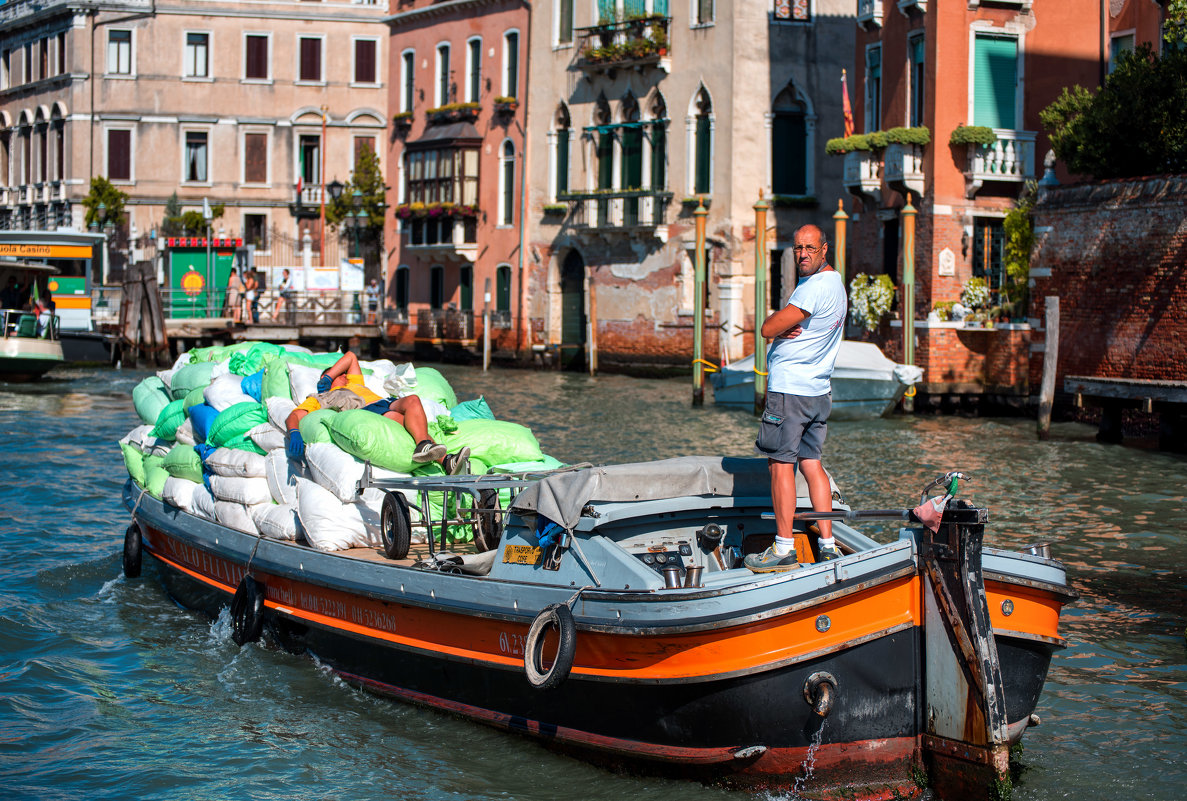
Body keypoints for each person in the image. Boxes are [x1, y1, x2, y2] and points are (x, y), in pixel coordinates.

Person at [745, 224, 848, 573]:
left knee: (780, 465)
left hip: (791, 392)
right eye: (797, 248)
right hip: (819, 391)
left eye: (809, 248)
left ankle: (784, 547)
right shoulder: (836, 284)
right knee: (812, 464)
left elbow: (766, 328)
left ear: (824, 250)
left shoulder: (813, 288)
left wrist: (777, 322)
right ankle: (829, 545)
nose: (802, 254)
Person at [284, 351, 470, 475]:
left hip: (385, 402)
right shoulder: (322, 397)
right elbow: (294, 416)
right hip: (367, 410)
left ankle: (424, 445)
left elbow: (350, 357)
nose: (345, 375)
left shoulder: (355, 383)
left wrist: (328, 376)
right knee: (402, 421)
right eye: (340, 375)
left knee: (413, 400)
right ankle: (446, 461)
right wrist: (294, 433)